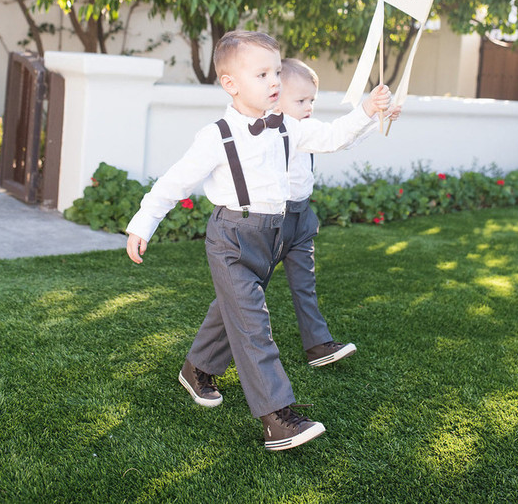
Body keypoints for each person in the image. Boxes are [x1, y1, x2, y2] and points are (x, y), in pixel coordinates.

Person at [126, 30, 392, 451]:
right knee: (254, 325)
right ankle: (277, 418)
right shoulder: (216, 135)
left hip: (272, 235)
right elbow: (175, 181)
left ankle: (196, 369)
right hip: (232, 237)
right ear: (230, 83)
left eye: (276, 71)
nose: (275, 82)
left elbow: (331, 138)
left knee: (232, 309)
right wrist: (143, 222)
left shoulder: (285, 125)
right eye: (263, 73)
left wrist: (366, 110)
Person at [276, 58, 400, 366]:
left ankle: (318, 345)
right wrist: (368, 109)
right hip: (272, 221)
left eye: (312, 100)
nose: (309, 107)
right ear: (275, 96)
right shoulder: (282, 128)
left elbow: (341, 139)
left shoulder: (305, 127)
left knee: (305, 284)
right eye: (301, 100)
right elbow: (334, 136)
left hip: (301, 218)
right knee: (244, 295)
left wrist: (377, 119)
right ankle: (205, 360)